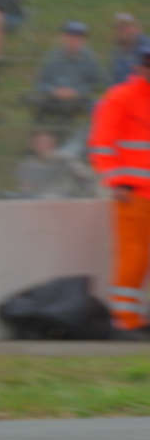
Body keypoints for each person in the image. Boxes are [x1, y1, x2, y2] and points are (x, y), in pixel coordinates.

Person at [87, 43, 150, 332]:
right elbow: (102, 143)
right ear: (139, 65)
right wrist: (117, 181)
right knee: (134, 255)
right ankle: (125, 320)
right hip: (133, 194)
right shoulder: (120, 98)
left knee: (136, 255)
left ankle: (132, 317)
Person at [28, 21, 106, 128]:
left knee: (99, 107)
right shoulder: (52, 57)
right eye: (71, 36)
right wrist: (54, 91)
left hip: (79, 100)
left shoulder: (90, 58)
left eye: (79, 37)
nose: (74, 40)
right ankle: (42, 137)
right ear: (63, 37)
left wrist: (78, 92)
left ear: (84, 40)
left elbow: (98, 83)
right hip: (54, 99)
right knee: (36, 103)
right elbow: (40, 82)